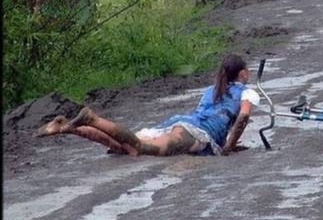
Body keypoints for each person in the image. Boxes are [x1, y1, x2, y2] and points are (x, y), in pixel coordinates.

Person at [35, 53, 261, 156]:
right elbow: (242, 118)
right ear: (243, 73)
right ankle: (92, 119)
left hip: (180, 122)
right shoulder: (246, 92)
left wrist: (230, 142)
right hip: (198, 134)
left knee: (123, 147)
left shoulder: (212, 89)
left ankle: (70, 128)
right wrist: (229, 148)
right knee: (143, 149)